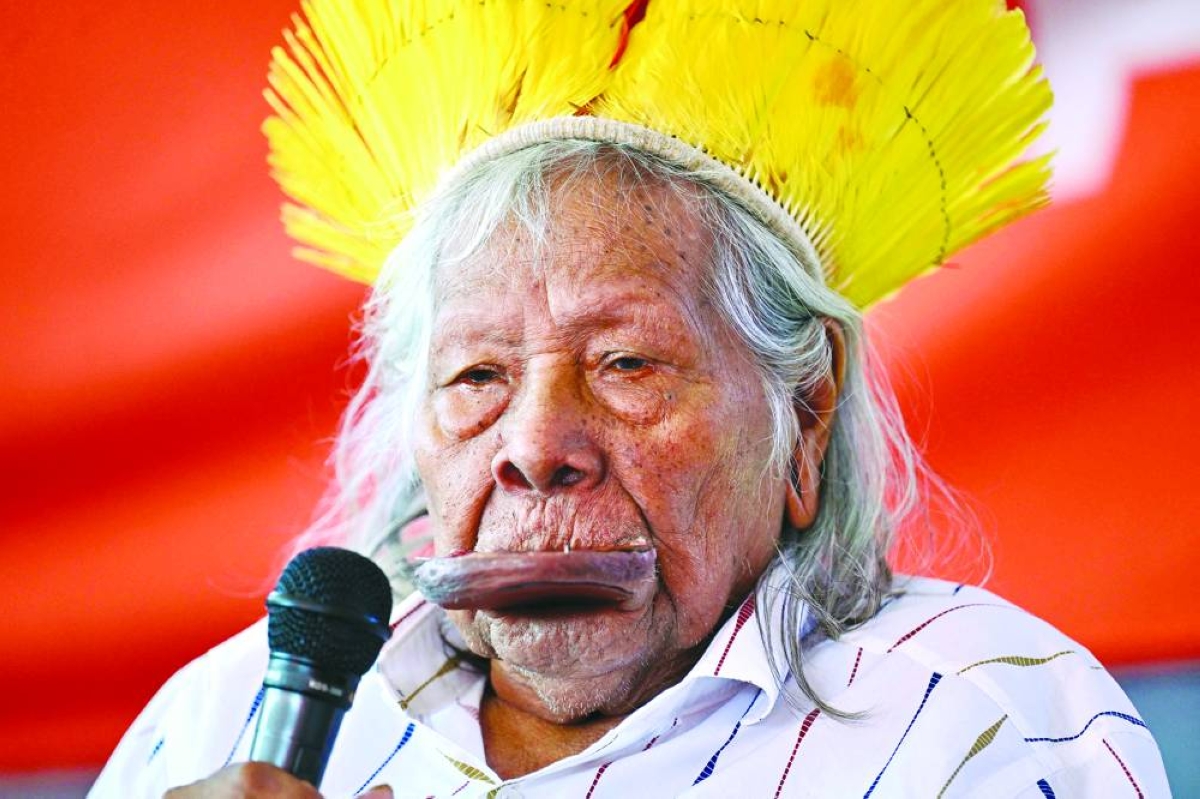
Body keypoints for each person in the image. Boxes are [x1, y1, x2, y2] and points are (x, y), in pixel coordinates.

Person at [91, 1, 1169, 796]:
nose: (537, 447)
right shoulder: (220, 724)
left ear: (805, 416)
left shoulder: (986, 723)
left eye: (626, 365)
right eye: (477, 377)